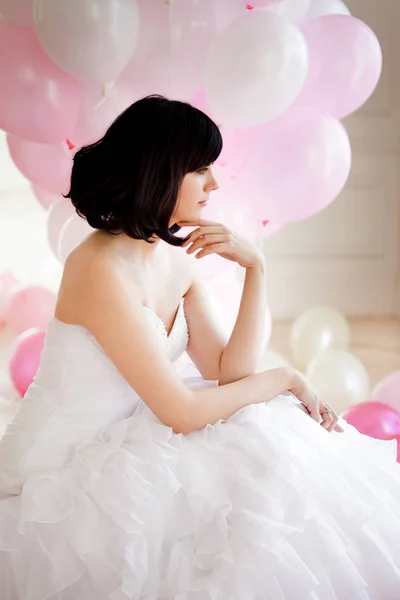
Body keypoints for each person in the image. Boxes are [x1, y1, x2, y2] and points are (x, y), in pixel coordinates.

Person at [0, 95, 399, 600]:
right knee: (249, 427)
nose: (214, 184)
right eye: (201, 170)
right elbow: (184, 412)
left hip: (121, 434)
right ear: (162, 172)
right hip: (51, 470)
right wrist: (285, 378)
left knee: (262, 440)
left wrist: (256, 270)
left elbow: (228, 372)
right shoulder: (98, 268)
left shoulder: (174, 257)